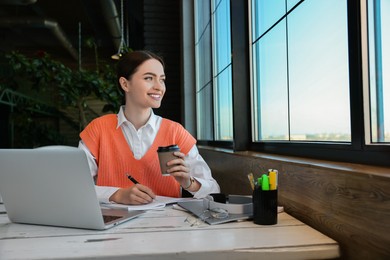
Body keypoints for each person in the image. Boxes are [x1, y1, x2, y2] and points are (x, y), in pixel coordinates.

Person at [78, 50, 220, 205]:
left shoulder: (176, 132)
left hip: (168, 226)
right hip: (112, 226)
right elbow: (75, 186)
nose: (159, 87)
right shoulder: (98, 130)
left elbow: (214, 191)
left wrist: (188, 182)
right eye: (149, 78)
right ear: (125, 84)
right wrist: (116, 195)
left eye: (162, 79)